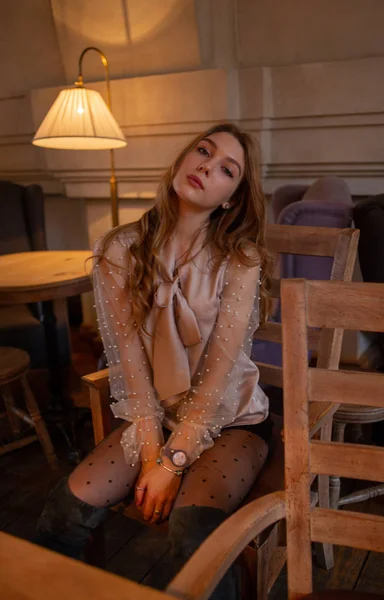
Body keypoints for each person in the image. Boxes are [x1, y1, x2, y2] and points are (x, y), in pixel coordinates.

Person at [36, 122, 273, 599]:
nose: (207, 166)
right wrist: (151, 454)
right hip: (156, 416)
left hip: (232, 417)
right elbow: (130, 366)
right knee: (62, 511)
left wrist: (173, 460)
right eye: (203, 151)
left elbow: (219, 375)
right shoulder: (118, 249)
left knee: (193, 532)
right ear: (183, 159)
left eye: (226, 169)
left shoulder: (241, 260)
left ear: (232, 196)